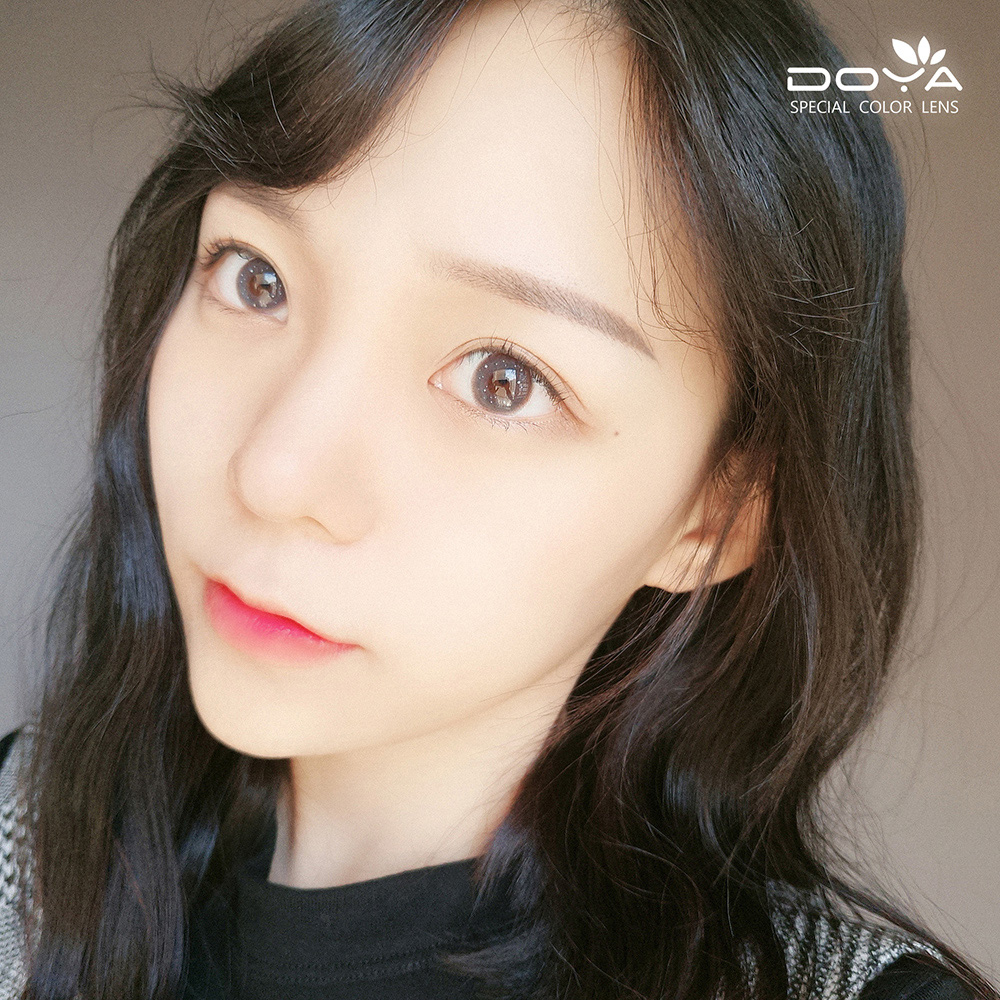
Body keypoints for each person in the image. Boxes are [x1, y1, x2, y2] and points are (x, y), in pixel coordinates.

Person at [0, 0, 994, 997]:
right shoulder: (22, 858)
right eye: (257, 279)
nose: (274, 474)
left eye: (502, 380)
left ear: (718, 513)